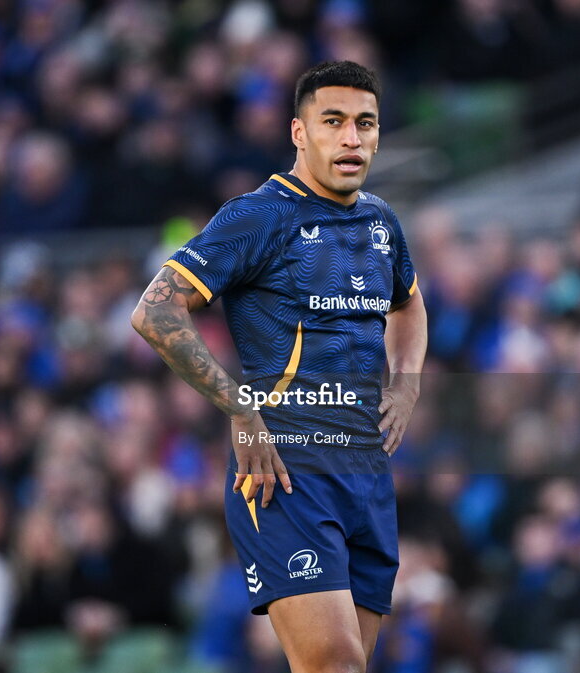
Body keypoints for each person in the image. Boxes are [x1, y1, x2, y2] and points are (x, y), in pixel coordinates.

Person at [131, 60, 427, 672]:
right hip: (286, 474)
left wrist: (406, 383)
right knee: (335, 666)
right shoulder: (257, 216)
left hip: (366, 476)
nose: (352, 138)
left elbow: (410, 303)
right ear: (299, 133)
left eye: (365, 124)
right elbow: (154, 311)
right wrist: (239, 406)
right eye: (334, 122)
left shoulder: (381, 223)